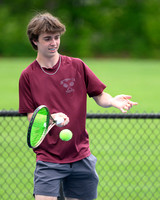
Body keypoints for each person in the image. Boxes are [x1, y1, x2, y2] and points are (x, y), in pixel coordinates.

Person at [19, 12, 137, 200]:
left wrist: (112, 101)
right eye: (47, 38)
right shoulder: (27, 76)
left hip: (81, 156)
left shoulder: (77, 65)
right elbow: (32, 116)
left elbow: (99, 96)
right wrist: (51, 119)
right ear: (35, 41)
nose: (54, 43)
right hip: (48, 159)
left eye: (57, 38)